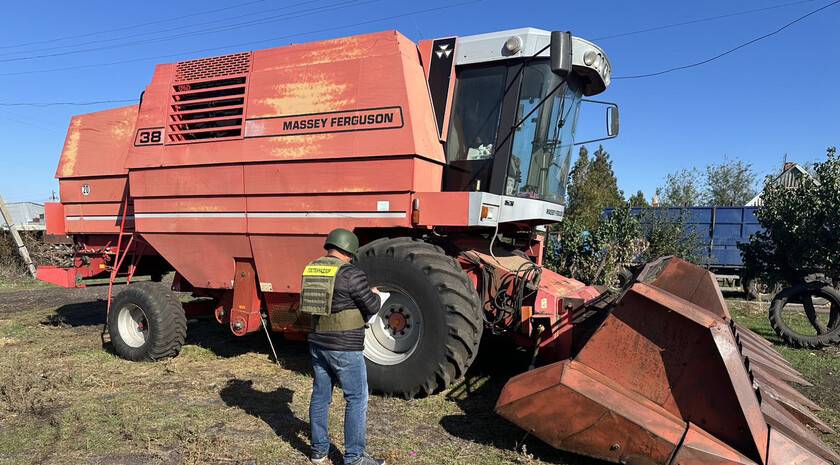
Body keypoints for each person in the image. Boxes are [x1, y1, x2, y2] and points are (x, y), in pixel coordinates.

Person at [302, 228, 385, 465]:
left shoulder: (312, 268)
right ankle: (354, 457)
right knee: (356, 398)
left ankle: (318, 451)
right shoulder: (351, 274)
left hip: (318, 341)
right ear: (349, 250)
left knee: (320, 396)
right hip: (345, 346)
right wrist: (376, 294)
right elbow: (371, 306)